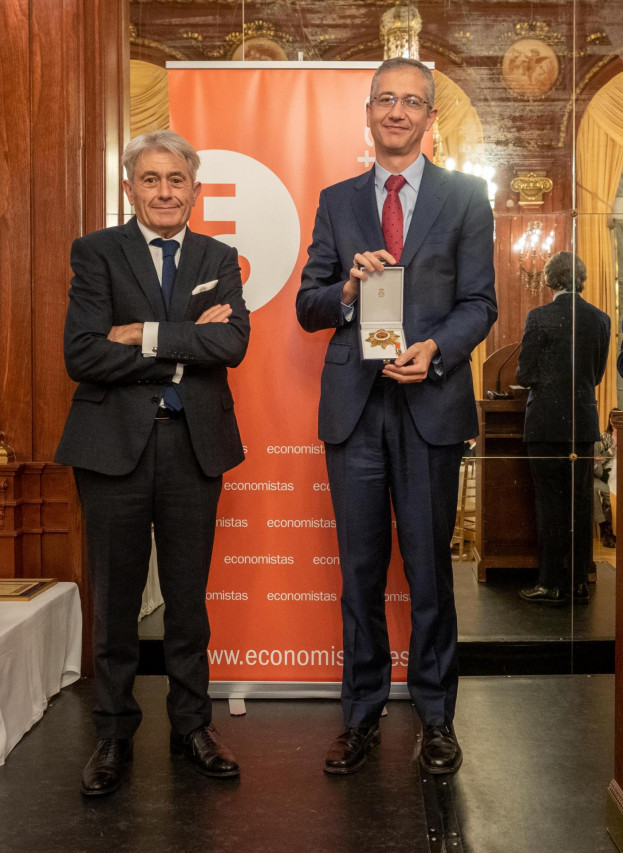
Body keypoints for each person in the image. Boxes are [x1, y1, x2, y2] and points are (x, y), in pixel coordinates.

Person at [296, 58, 497, 776]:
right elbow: (307, 304)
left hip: (429, 405)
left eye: (413, 102)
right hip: (354, 410)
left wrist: (436, 348)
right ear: (369, 111)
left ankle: (436, 716)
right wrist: (347, 287)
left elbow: (481, 302)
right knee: (358, 572)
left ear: (429, 118)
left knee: (427, 569)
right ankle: (360, 714)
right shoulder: (335, 200)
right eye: (387, 99)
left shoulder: (466, 198)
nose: (398, 112)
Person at [55, 130, 250, 796]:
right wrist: (180, 350)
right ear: (129, 187)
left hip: (193, 444)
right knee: (115, 601)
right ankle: (112, 734)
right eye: (151, 179)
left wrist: (138, 334)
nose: (165, 191)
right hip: (111, 448)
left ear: (195, 189)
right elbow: (81, 354)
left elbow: (230, 344)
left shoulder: (219, 255)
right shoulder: (96, 252)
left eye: (177, 180)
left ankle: (192, 726)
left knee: (189, 602)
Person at [517, 251, 609, 606]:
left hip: (544, 426)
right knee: (581, 502)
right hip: (583, 424)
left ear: (550, 281)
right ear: (580, 280)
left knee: (550, 504)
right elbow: (597, 375)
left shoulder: (539, 317)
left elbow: (524, 375)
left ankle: (550, 584)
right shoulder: (600, 319)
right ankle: (580, 583)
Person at [593, 410, 617, 548]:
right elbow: (599, 461)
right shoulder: (604, 437)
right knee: (605, 493)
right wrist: (614, 446)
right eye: (612, 418)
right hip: (606, 474)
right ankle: (607, 531)